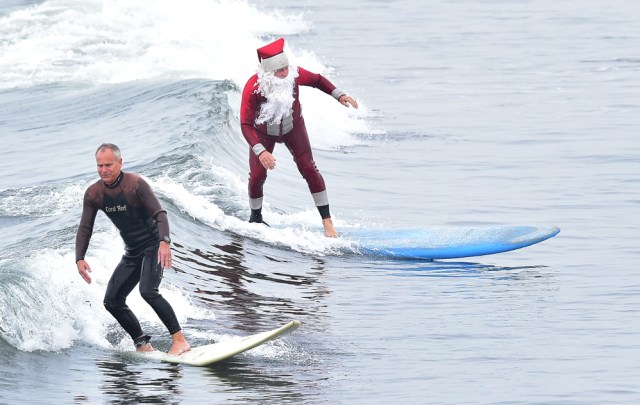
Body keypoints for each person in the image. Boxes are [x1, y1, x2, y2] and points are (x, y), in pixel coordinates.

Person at [75, 143, 191, 355]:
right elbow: (85, 227)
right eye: (99, 165)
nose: (103, 170)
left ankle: (180, 340)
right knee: (112, 301)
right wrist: (79, 258)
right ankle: (142, 344)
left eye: (108, 164)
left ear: (120, 162)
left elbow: (160, 214)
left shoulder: (136, 185)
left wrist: (165, 242)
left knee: (148, 291)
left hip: (153, 245)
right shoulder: (94, 194)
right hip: (132, 251)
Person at [240, 37, 358, 237]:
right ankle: (256, 218)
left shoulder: (294, 75)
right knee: (258, 176)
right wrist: (260, 152)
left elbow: (318, 80)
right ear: (268, 73)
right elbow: (245, 124)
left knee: (309, 168)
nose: (285, 73)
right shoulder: (254, 88)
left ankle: (328, 223)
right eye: (279, 71)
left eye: (286, 67)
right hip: (263, 134)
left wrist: (339, 95)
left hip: (294, 129)